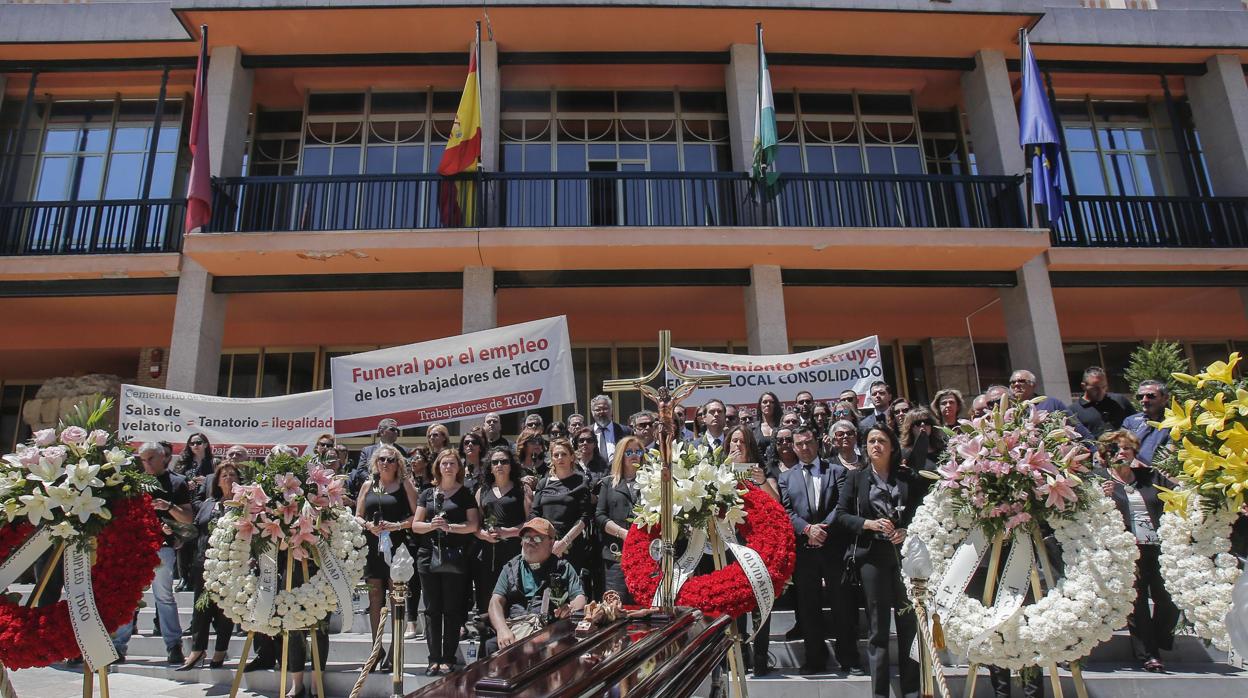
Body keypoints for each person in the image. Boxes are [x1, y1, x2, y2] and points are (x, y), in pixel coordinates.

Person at [835, 425, 921, 698]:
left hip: (905, 555)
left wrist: (907, 530)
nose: (876, 445)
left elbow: (923, 511)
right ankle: (880, 693)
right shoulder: (857, 478)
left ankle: (911, 690)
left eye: (881, 440)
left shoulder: (907, 477)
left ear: (892, 446)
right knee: (877, 627)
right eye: (871, 441)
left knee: (908, 623)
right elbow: (841, 515)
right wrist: (868, 523)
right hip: (872, 558)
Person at [780, 426, 861, 676]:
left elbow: (841, 505)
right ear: (793, 447)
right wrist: (807, 530)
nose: (804, 448)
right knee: (808, 607)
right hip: (804, 551)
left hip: (833, 547)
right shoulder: (786, 477)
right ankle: (815, 660)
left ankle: (849, 658)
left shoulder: (836, 471)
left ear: (817, 443)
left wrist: (821, 530)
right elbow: (787, 512)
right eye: (799, 444)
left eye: (808, 442)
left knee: (841, 605)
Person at [1097, 429, 1177, 673]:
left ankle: (1161, 638)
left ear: (1134, 452)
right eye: (1114, 450)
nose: (1120, 453)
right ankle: (1149, 654)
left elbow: (1177, 493)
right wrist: (1101, 497)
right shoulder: (1100, 480)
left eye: (1125, 449)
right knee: (1138, 601)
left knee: (1168, 598)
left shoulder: (1151, 476)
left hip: (1159, 546)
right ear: (1105, 455)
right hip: (1126, 550)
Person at [411, 449, 480, 676]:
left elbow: (473, 526)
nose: (448, 467)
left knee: (451, 609)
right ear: (438, 467)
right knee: (432, 609)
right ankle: (433, 658)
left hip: (454, 555)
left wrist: (450, 527)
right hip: (427, 555)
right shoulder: (427, 494)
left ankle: (448, 658)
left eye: (452, 463)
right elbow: (415, 525)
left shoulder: (466, 493)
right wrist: (434, 525)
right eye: (444, 463)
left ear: (458, 468)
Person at [355, 444, 419, 672]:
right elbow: (358, 516)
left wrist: (396, 525)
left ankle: (395, 649)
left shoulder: (405, 485)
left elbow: (416, 516)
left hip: (398, 547)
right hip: (373, 546)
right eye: (382, 459)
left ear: (398, 463)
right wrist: (368, 526)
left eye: (390, 459)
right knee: (374, 599)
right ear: (375, 462)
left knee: (396, 598)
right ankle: (375, 650)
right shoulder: (367, 485)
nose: (385, 463)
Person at [486, 518, 587, 654]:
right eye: (527, 538)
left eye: (538, 539)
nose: (531, 542)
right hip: (514, 628)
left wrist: (570, 608)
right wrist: (502, 629)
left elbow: (579, 597)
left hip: (548, 629)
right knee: (490, 646)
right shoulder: (510, 568)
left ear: (551, 543)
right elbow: (495, 602)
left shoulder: (563, 568)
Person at [725, 425, 779, 675]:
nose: (736, 446)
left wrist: (760, 482)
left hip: (758, 547)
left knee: (760, 603)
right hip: (731, 545)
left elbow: (776, 502)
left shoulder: (761, 471)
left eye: (741, 442)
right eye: (733, 441)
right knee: (736, 604)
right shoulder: (720, 473)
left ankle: (760, 657)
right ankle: (739, 656)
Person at [178, 461, 239, 671]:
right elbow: (196, 529)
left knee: (224, 610)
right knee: (201, 608)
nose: (228, 479)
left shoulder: (245, 504)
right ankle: (197, 650)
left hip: (232, 564)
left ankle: (220, 650)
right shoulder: (208, 503)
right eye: (224, 475)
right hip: (204, 562)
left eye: (232, 475)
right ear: (217, 481)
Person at [137, 442, 193, 664]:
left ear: (163, 458)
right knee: (130, 596)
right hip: (136, 547)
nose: (147, 463)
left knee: (163, 596)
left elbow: (188, 518)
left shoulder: (177, 482)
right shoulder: (136, 483)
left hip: (163, 547)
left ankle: (173, 645)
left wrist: (168, 507)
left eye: (151, 458)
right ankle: (118, 644)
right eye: (143, 459)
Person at [531, 438, 593, 599]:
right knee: (545, 593)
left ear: (572, 457)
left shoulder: (581, 481)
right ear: (551, 458)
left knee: (571, 595)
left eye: (564, 454)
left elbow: (585, 517)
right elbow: (534, 514)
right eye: (556, 455)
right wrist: (545, 542)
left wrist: (564, 542)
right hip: (545, 546)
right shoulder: (543, 483)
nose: (560, 458)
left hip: (571, 546)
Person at [475, 447, 531, 620]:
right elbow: (475, 524)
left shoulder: (523, 489)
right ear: (490, 467)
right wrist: (483, 534)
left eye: (504, 461)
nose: (499, 465)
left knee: (513, 594)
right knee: (488, 596)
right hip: (488, 552)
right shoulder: (482, 491)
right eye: (495, 462)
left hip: (515, 550)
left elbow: (531, 522)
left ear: (511, 465)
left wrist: (509, 532)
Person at [595, 435, 644, 604]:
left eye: (638, 451)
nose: (634, 455)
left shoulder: (650, 482)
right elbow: (600, 516)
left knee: (644, 605)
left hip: (645, 555)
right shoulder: (608, 483)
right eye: (628, 451)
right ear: (620, 456)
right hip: (616, 555)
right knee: (617, 605)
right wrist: (622, 533)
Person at [1070, 366, 1135, 437]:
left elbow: (1136, 424)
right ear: (1083, 386)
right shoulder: (1073, 411)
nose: (1101, 392)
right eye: (1095, 388)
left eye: (1104, 387)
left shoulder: (1120, 401)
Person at [1123, 379, 1172, 466]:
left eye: (1151, 396)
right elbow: (1122, 448)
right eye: (1140, 397)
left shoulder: (1173, 423)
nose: (1144, 400)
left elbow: (1169, 455)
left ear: (1165, 398)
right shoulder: (1130, 421)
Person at [590, 394, 631, 462]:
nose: (602, 412)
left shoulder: (625, 431)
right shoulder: (586, 432)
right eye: (598, 410)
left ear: (611, 410)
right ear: (592, 412)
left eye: (605, 409)